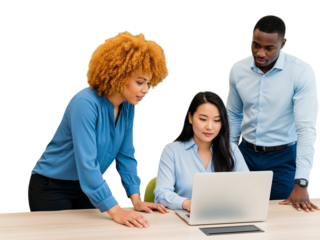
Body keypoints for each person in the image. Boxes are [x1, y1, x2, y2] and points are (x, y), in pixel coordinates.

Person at [27, 30, 170, 228]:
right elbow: (87, 163)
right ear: (119, 75)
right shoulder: (84, 102)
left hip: (86, 188)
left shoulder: (128, 108)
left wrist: (135, 197)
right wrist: (115, 208)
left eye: (148, 83)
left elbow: (126, 155)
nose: (146, 90)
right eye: (140, 82)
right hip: (51, 186)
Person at [226, 14, 319, 212]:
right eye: (255, 45)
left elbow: (306, 129)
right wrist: (228, 155)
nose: (260, 53)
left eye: (269, 48)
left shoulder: (302, 72)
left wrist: (302, 181)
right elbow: (233, 115)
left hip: (282, 159)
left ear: (283, 43)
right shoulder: (237, 69)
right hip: (245, 154)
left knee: (281, 218)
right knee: (236, 212)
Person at [153, 91, 249, 211]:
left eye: (217, 120)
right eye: (203, 119)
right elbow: (161, 194)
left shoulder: (232, 150)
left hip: (225, 216)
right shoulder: (172, 151)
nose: (209, 126)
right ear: (190, 117)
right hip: (185, 218)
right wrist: (187, 204)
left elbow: (247, 190)